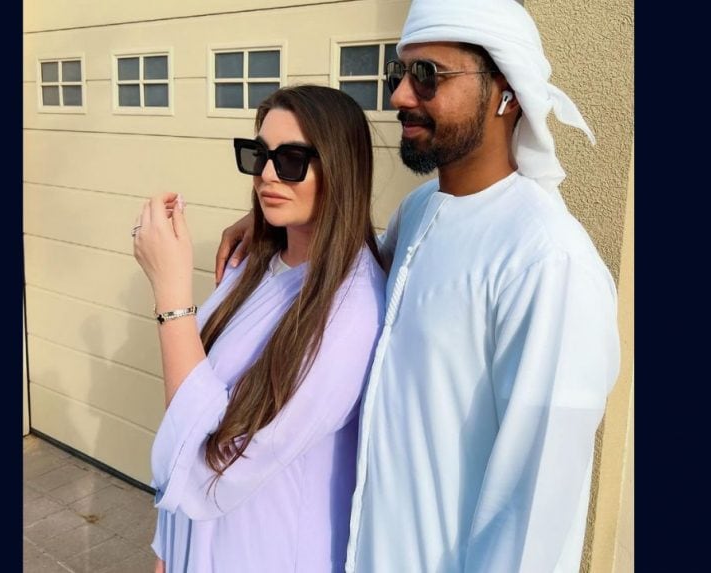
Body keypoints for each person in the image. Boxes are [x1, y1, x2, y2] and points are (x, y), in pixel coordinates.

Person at [214, 1, 621, 571]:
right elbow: (344, 267)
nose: (400, 96)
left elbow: (534, 516)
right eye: (399, 74)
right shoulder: (420, 211)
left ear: (505, 91)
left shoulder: (547, 261)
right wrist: (271, 221)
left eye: (428, 75)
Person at [132, 85, 386, 573]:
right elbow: (192, 408)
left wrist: (171, 296)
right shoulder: (254, 263)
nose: (267, 174)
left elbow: (212, 467)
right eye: (259, 155)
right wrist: (167, 547)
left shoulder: (349, 313)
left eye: (291, 160)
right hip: (198, 548)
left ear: (340, 168)